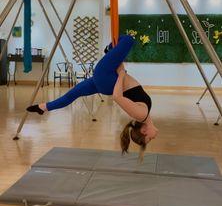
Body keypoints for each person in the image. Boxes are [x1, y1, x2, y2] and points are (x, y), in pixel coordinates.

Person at [27, 35, 158, 159]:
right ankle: (43, 107)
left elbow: (117, 97)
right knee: (72, 94)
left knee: (129, 40)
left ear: (144, 130)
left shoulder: (141, 114)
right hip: (106, 81)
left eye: (150, 138)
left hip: (108, 80)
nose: (154, 138)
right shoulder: (145, 116)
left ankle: (109, 49)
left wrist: (122, 74)